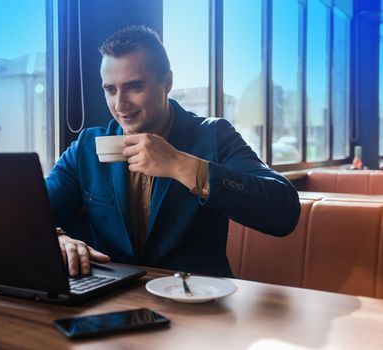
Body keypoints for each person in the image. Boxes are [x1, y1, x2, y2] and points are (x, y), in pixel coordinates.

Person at [46, 25, 301, 277]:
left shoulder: (213, 136)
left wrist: (181, 165)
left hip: (197, 301)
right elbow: (32, 212)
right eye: (110, 90)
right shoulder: (88, 147)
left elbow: (283, 210)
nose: (120, 104)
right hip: (113, 299)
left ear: (167, 82)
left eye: (134, 86)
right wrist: (56, 238)